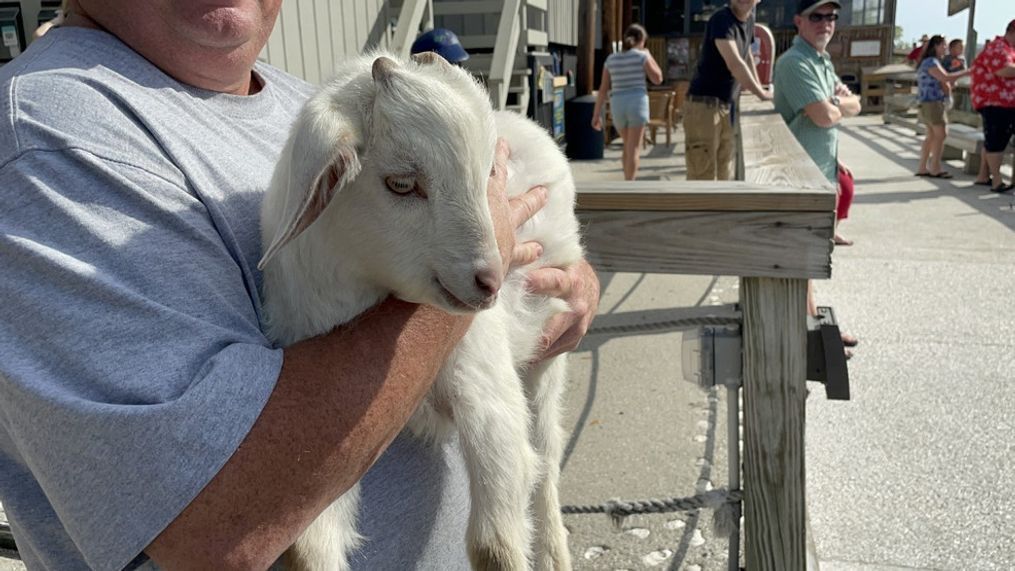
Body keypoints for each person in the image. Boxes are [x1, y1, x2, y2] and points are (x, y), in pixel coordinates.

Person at [0, 1, 601, 569]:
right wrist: (475, 267)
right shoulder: (54, 139)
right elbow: (220, 527)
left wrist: (552, 286)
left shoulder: (309, 100)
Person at [773, 0, 862, 352]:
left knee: (807, 261)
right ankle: (808, 339)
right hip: (800, 177)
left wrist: (835, 105)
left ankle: (811, 331)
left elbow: (854, 104)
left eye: (832, 17)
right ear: (798, 22)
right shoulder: (794, 62)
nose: (826, 22)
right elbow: (824, 116)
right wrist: (836, 105)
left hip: (820, 172)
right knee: (803, 260)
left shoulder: (820, 61)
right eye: (817, 16)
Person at [683, 0, 771, 181]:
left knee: (726, 170)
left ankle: (722, 210)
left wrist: (757, 86)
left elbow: (746, 55)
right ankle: (701, 210)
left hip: (726, 105)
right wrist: (761, 94)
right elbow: (735, 63)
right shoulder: (721, 19)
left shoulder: (749, 19)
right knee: (702, 174)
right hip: (703, 105)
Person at [590, 24, 663, 181]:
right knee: (634, 149)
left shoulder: (611, 59)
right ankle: (630, 185)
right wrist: (649, 55)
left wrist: (596, 115)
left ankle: (626, 181)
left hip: (618, 105)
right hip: (637, 103)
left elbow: (603, 89)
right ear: (641, 40)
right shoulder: (642, 56)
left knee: (627, 146)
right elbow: (658, 78)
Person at [914, 35, 973, 179]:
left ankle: (923, 167)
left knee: (931, 136)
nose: (945, 48)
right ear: (936, 46)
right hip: (933, 102)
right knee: (941, 135)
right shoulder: (931, 62)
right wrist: (968, 71)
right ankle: (935, 168)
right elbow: (945, 78)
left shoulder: (929, 61)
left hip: (927, 102)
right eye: (943, 45)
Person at [970, 19, 1015, 193]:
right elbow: (1004, 70)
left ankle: (983, 176)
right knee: (996, 142)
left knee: (993, 140)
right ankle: (997, 180)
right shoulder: (998, 48)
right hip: (996, 102)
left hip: (1006, 103)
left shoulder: (1007, 49)